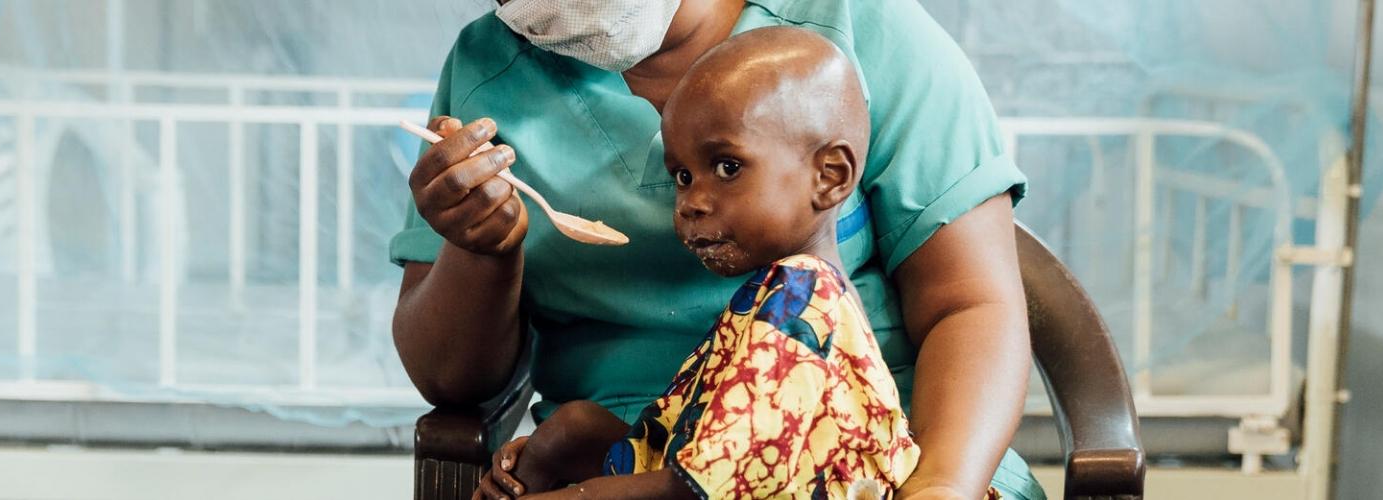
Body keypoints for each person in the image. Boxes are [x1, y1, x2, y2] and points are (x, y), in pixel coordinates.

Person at [391, 0, 1038, 498]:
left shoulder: (859, 33)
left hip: (883, 454)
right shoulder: (487, 72)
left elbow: (972, 305)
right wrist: (480, 247)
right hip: (639, 448)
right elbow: (451, 379)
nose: (689, 208)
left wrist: (942, 485)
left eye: (728, 168)